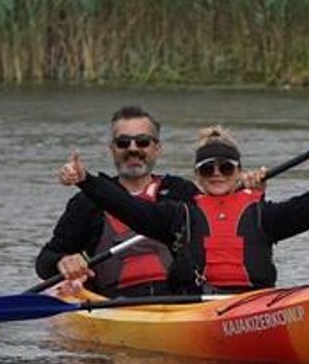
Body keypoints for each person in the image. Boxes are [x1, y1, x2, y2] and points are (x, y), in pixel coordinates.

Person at [56, 125, 309, 294]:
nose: (216, 174)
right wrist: (85, 180)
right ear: (197, 176)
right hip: (193, 310)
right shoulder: (179, 215)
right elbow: (125, 206)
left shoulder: (262, 213)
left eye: (225, 168)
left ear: (237, 171)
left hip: (254, 305)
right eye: (207, 169)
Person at [36, 105, 197, 297]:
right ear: (112, 149)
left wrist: (240, 185)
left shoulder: (181, 191)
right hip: (112, 307)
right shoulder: (86, 202)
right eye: (123, 143)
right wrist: (62, 262)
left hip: (183, 302)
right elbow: (45, 261)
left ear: (157, 149)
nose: (133, 149)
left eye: (143, 142)